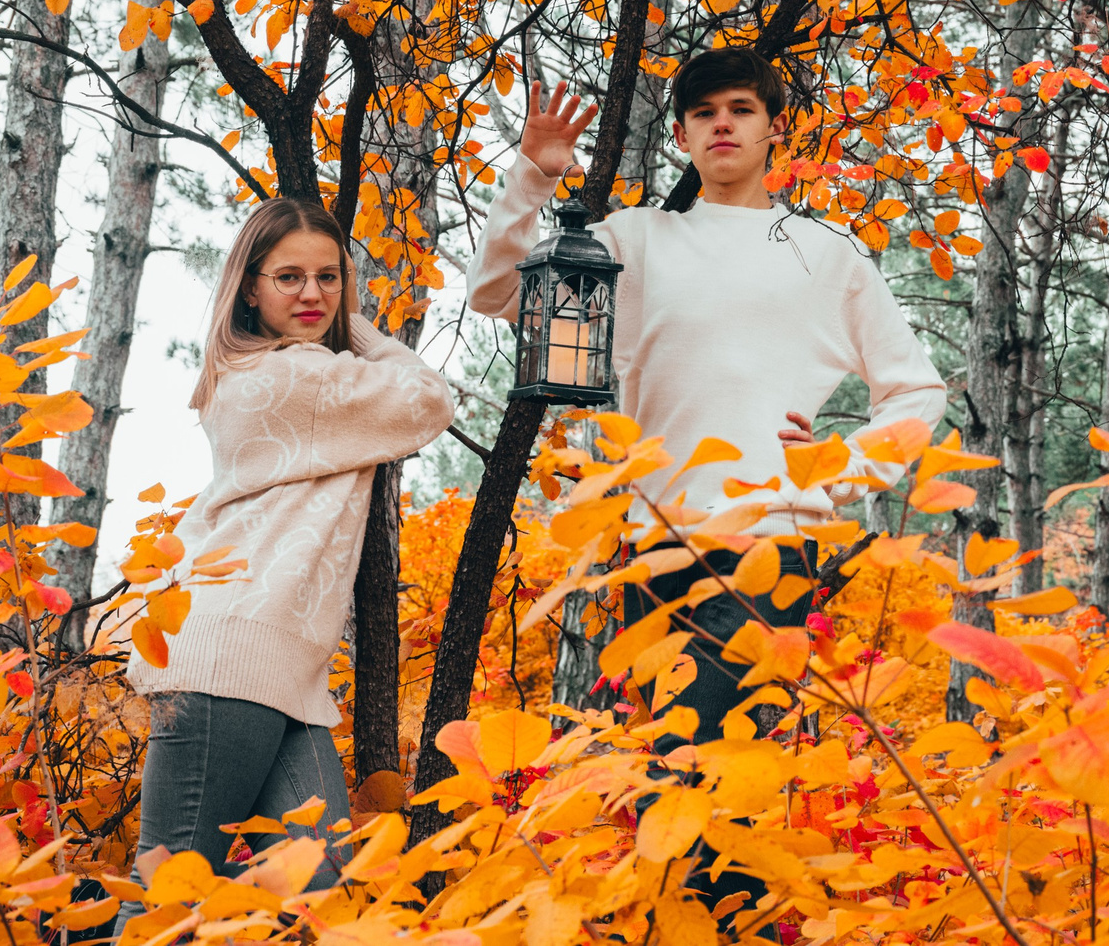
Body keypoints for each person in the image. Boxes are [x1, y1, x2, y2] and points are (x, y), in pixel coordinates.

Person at [470, 47, 948, 916]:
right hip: (654, 545)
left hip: (772, 544)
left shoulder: (824, 254)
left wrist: (844, 463)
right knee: (670, 777)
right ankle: (706, 921)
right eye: (704, 112)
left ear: (773, 126)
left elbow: (917, 388)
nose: (723, 123)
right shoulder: (639, 237)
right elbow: (501, 292)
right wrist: (534, 174)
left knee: (710, 772)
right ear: (685, 131)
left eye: (741, 108)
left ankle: (715, 921)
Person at [119, 196, 453, 923]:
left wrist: (338, 319)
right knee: (168, 900)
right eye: (290, 277)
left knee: (321, 895)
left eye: (330, 279)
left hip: (283, 675)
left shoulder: (277, 374)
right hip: (230, 658)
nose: (312, 294)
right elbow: (429, 399)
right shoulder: (292, 376)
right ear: (250, 287)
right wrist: (355, 325)